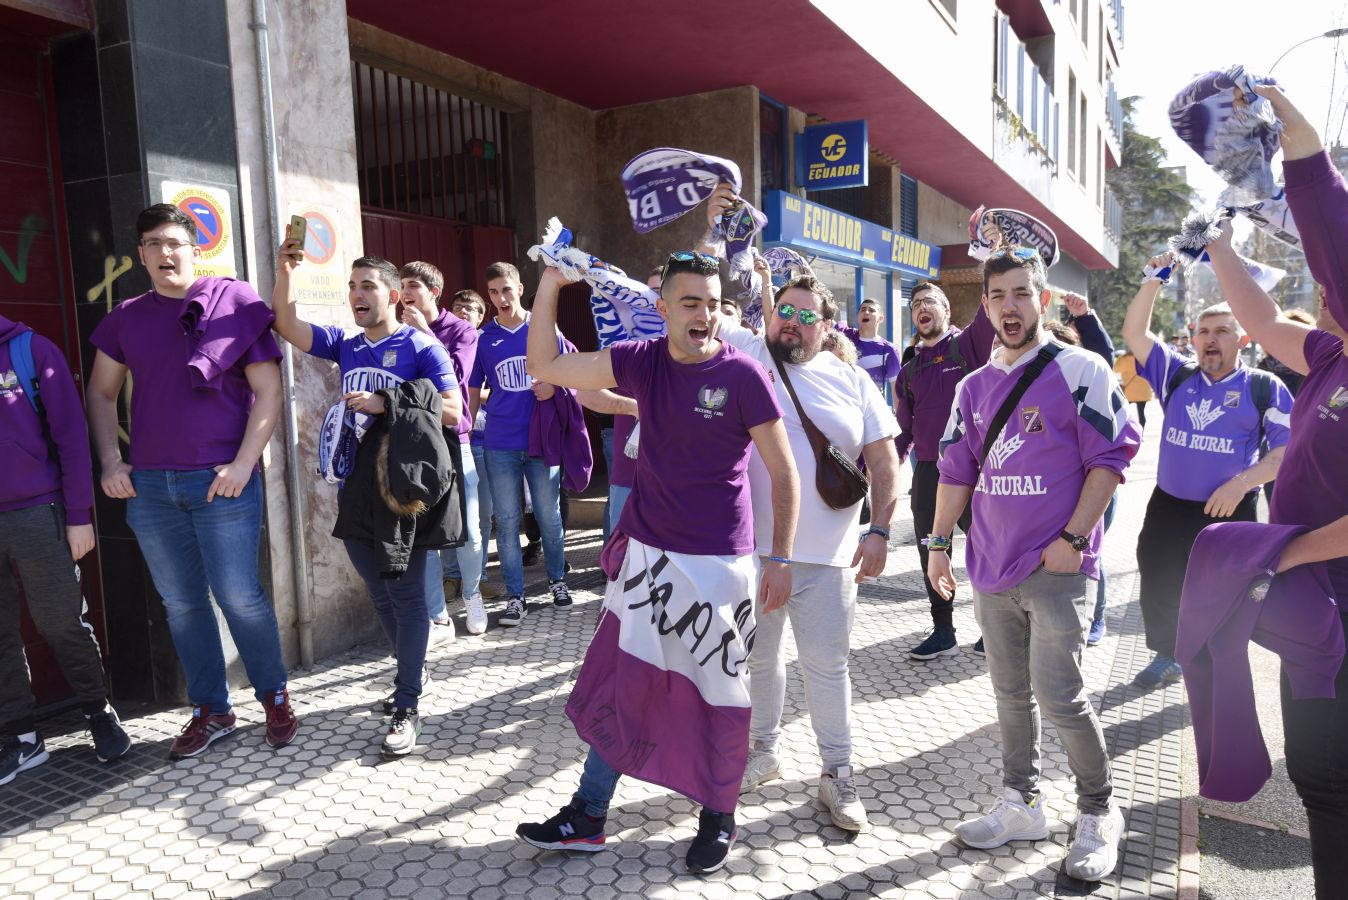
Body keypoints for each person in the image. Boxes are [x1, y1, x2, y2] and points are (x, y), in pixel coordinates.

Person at [515, 251, 799, 875]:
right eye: (691, 302)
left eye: (715, 303)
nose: (706, 315)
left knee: (717, 695)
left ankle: (718, 815)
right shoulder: (642, 361)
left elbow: (783, 472)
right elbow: (544, 366)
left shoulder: (745, 374)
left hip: (722, 564)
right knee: (625, 689)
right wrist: (549, 285)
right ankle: (588, 816)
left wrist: (779, 558)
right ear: (664, 309)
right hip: (648, 560)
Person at [929, 247, 1140, 882]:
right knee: (1010, 697)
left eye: (1022, 293)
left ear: (1043, 300)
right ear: (985, 305)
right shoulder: (971, 386)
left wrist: (1074, 539)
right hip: (990, 568)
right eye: (998, 297)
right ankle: (1022, 803)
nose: (1010, 307)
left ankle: (1100, 811)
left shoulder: (1082, 370)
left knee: (1062, 697)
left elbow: (1111, 459)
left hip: (1056, 568)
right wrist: (938, 545)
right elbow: (954, 470)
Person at [1204, 82, 1348, 899]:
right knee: (1322, 786)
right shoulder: (1331, 355)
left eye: (1333, 283)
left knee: (1332, 788)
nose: (1322, 288)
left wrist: (1301, 141)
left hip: (1339, 607)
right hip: (1312, 609)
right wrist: (1215, 245)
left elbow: (1333, 232)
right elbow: (1260, 322)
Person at [87, 204, 296, 760]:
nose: (164, 253)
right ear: (141, 255)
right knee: (181, 604)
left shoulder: (237, 307)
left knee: (239, 597)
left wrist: (245, 462)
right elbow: (101, 392)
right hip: (151, 488)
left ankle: (273, 694)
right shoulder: (127, 316)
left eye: (174, 242)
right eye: (152, 244)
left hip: (221, 481)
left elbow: (269, 392)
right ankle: (212, 709)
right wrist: (111, 462)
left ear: (195, 249)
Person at [711, 258, 899, 834]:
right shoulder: (752, 357)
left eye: (804, 316)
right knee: (758, 661)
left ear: (826, 326)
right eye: (783, 312)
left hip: (829, 559)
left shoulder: (853, 380)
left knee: (827, 667)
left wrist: (882, 530)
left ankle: (837, 773)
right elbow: (712, 287)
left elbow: (885, 462)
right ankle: (762, 754)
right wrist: (726, 230)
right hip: (753, 553)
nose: (790, 322)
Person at [271, 245, 461, 757]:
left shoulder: (422, 348)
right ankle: (411, 668)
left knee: (405, 597)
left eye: (368, 286)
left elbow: (453, 410)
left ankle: (407, 705)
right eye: (352, 287)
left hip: (405, 491)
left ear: (395, 296)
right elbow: (286, 323)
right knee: (378, 593)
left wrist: (389, 401)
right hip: (356, 487)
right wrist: (287, 271)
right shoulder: (347, 346)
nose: (357, 294)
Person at [1121, 260, 1293, 688]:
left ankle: (1219, 662)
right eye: (1204, 331)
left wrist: (1241, 484)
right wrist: (1151, 282)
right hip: (1169, 507)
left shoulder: (1264, 387)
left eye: (1222, 331)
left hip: (1230, 512)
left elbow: (1287, 452)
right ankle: (1168, 654)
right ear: (1194, 338)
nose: (1210, 340)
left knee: (1224, 594)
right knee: (1158, 578)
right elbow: (1135, 335)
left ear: (1243, 339)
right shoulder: (1176, 375)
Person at [1, 318, 131, 782]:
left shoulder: (29, 350)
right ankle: (20, 737)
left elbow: (72, 439)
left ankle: (98, 712)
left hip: (37, 512)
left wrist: (79, 515)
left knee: (60, 622)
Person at [895, 280, 996, 660]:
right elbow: (903, 430)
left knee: (987, 548)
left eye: (930, 301)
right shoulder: (907, 370)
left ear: (947, 311)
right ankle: (943, 629)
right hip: (927, 473)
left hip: (974, 469)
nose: (922, 307)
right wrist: (879, 467)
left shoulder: (966, 345)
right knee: (932, 551)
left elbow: (990, 309)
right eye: (916, 303)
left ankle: (994, 627)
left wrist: (993, 251)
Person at [469, 262, 570, 627]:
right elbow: (473, 390)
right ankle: (516, 596)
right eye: (493, 292)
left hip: (541, 440)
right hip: (500, 442)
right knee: (507, 521)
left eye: (506, 290)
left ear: (521, 288)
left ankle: (558, 581)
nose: (500, 299)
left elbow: (570, 372)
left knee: (549, 516)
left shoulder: (543, 329)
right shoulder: (484, 338)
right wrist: (466, 429)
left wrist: (555, 386)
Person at [399, 263, 487, 637]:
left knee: (470, 529)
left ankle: (473, 595)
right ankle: (438, 615)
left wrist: (422, 331)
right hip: (416, 440)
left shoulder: (462, 331)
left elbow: (454, 375)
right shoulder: (397, 331)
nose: (405, 293)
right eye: (401, 285)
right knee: (424, 532)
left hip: (454, 439)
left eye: (413, 286)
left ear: (433, 292)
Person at [1062, 292, 1119, 647]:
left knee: (1089, 550)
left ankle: (1096, 617)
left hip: (1096, 486)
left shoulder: (1094, 375)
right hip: (1058, 488)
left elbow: (1104, 357)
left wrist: (1085, 318)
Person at [443, 290, 504, 602]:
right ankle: (452, 577)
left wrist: (476, 392)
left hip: (486, 441)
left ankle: (477, 580)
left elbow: (504, 391)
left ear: (482, 316)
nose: (463, 312)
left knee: (481, 515)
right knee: (451, 514)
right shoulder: (447, 343)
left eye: (470, 308)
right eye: (458, 307)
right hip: (453, 440)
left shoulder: (489, 345)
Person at [837, 296, 901, 397]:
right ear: (858, 317)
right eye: (863, 309)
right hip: (845, 404)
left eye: (871, 310)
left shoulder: (889, 349)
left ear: (881, 318)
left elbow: (896, 389)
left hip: (872, 407)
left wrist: (899, 412)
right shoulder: (845, 336)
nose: (866, 312)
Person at [1113, 349, 1153, 428]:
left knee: (1122, 411)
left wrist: (1120, 358)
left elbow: (1116, 369)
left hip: (1129, 391)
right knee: (1141, 413)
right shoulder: (1144, 359)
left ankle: (1122, 430)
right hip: (1143, 390)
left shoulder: (1124, 359)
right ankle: (1141, 434)